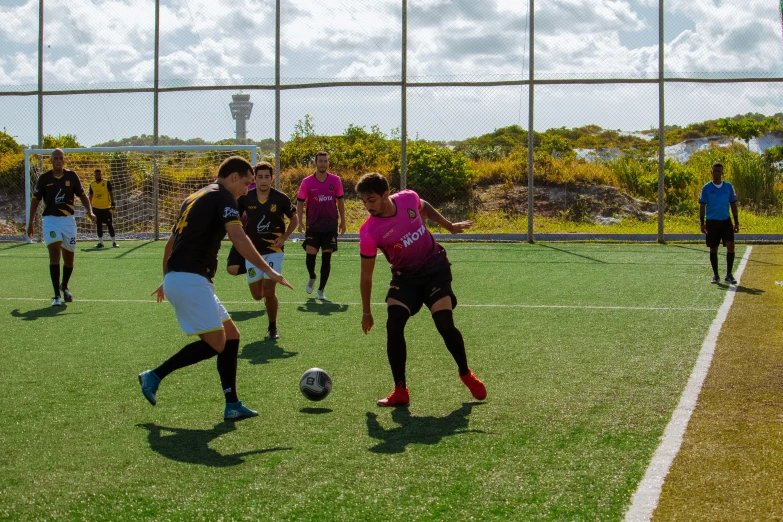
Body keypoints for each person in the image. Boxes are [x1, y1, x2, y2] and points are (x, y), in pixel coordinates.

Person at [138, 156, 293, 421]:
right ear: (233, 177)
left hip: (184, 278)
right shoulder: (224, 198)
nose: (248, 189)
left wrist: (166, 278)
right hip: (190, 279)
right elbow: (238, 237)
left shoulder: (194, 197)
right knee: (217, 343)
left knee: (231, 336)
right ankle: (154, 375)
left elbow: (170, 244)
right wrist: (269, 270)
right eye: (246, 182)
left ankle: (232, 404)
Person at [356, 172, 486, 407]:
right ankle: (400, 390)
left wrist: (448, 225)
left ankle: (465, 373)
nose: (368, 206)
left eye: (372, 200)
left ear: (386, 195)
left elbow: (423, 205)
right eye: (364, 201)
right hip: (405, 278)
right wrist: (366, 312)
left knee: (444, 323)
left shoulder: (407, 198)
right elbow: (366, 276)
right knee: (394, 322)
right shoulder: (369, 232)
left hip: (435, 269)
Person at [226, 161, 298, 340]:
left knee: (269, 291)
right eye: (260, 177)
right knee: (257, 296)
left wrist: (284, 237)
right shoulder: (246, 198)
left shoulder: (281, 198)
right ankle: (248, 268)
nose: (264, 180)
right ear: (254, 179)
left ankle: (273, 327)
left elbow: (294, 219)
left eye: (267, 177)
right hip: (253, 252)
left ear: (272, 178)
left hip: (274, 250)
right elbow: (233, 215)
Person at [27, 148, 96, 307]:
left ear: (64, 160)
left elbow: (82, 196)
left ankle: (64, 286)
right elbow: (35, 201)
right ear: (50, 161)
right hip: (51, 220)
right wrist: (30, 222)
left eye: (60, 158)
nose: (58, 160)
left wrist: (90, 212)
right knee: (54, 252)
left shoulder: (72, 177)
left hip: (68, 221)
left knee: (69, 260)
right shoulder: (44, 179)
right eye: (55, 158)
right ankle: (56, 296)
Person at [296, 151, 346, 300]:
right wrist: (300, 221)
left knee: (326, 258)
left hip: (330, 226)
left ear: (328, 163)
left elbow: (340, 201)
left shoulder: (336, 181)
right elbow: (300, 202)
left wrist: (343, 220)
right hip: (313, 225)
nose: (323, 163)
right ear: (315, 163)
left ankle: (321, 290)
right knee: (310, 257)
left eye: (325, 161)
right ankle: (312, 276)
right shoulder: (307, 182)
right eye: (320, 161)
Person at [699, 162, 739, 285]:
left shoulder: (728, 187)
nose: (716, 173)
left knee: (730, 246)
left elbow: (733, 204)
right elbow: (702, 205)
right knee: (713, 249)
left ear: (722, 172)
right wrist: (702, 223)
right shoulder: (706, 188)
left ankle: (728, 274)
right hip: (712, 222)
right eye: (714, 171)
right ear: (711, 172)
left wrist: (736, 222)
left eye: (719, 171)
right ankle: (716, 275)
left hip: (726, 221)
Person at [89, 168, 118, 248]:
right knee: (98, 225)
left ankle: (114, 242)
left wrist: (112, 203)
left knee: (109, 224)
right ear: (94, 175)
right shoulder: (92, 184)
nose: (98, 175)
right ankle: (101, 243)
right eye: (96, 174)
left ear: (101, 175)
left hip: (106, 208)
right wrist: (89, 208)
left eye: (99, 174)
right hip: (96, 208)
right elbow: (91, 196)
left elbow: (111, 193)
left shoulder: (106, 183)